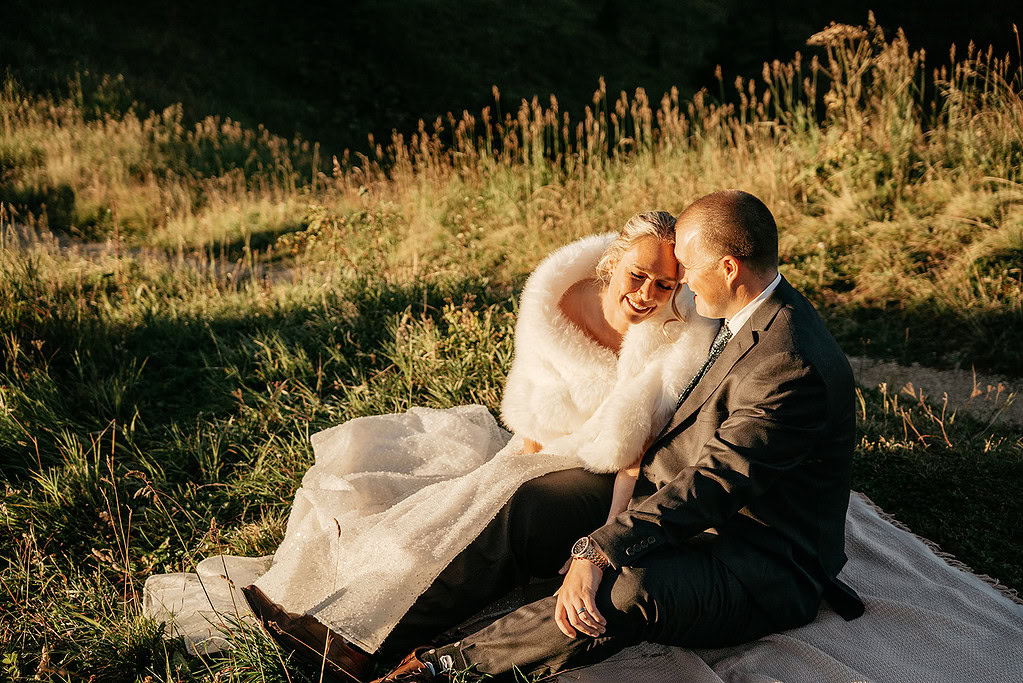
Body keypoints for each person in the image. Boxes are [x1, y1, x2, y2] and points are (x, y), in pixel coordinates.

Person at [371, 190, 864, 682]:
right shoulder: (744, 312)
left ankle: (440, 669)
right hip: (668, 493)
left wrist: (601, 547)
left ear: (730, 268)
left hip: (755, 556)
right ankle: (375, 639)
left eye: (688, 267)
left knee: (622, 591)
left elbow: (718, 482)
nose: (683, 283)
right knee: (534, 505)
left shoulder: (787, 363)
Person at [237, 211, 717, 678]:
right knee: (449, 514)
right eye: (638, 276)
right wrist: (508, 468)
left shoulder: (671, 342)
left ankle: (359, 644)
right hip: (543, 449)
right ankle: (344, 616)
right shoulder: (559, 298)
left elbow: (631, 458)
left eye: (664, 285)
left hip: (608, 478)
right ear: (613, 262)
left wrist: (603, 543)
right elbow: (533, 404)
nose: (646, 295)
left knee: (512, 507)